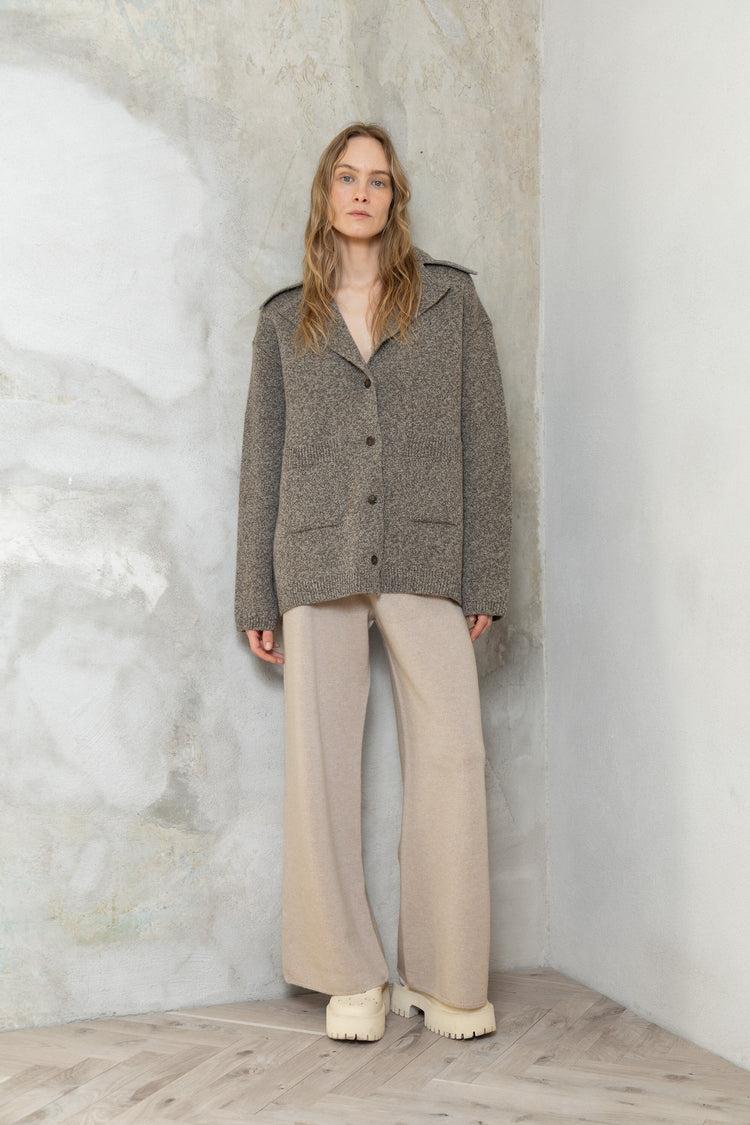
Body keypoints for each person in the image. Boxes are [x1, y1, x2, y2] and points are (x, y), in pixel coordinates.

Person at [235, 122, 511, 1043]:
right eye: (347, 177)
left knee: (453, 754)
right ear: (326, 192)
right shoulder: (284, 320)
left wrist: (486, 573)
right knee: (320, 765)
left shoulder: (451, 303)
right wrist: (254, 592)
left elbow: (486, 442)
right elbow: (261, 462)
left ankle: (445, 974)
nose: (362, 192)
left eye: (379, 180)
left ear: (396, 198)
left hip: (427, 550)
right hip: (314, 555)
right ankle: (348, 974)